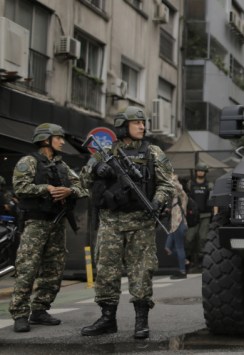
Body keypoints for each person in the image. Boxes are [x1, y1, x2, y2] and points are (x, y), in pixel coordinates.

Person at [80, 106, 174, 339]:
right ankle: (107, 318)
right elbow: (83, 180)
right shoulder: (104, 152)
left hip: (141, 222)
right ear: (123, 127)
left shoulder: (153, 152)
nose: (142, 126)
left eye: (143, 122)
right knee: (106, 272)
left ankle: (141, 321)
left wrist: (157, 201)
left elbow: (167, 184)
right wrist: (97, 170)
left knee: (142, 272)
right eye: (136, 123)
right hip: (110, 222)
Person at [9, 123, 87, 333]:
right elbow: (20, 186)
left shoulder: (62, 166)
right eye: (58, 138)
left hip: (57, 223)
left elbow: (83, 187)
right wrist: (48, 188)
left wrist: (69, 191)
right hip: (35, 223)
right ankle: (20, 314)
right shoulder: (29, 162)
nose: (62, 141)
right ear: (45, 140)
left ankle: (40, 309)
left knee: (54, 268)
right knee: (27, 268)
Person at [185, 162, 213, 270]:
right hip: (192, 215)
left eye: (202, 171)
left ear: (205, 172)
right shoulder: (190, 184)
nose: (200, 172)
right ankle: (189, 260)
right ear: (196, 171)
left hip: (205, 215)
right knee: (189, 238)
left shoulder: (209, 185)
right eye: (199, 170)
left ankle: (202, 261)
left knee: (203, 238)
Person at [164, 173, 188, 279]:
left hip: (179, 222)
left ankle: (182, 271)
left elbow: (179, 187)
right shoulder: (174, 196)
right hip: (174, 224)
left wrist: (173, 179)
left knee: (179, 247)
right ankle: (184, 260)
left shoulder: (180, 192)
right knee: (168, 248)